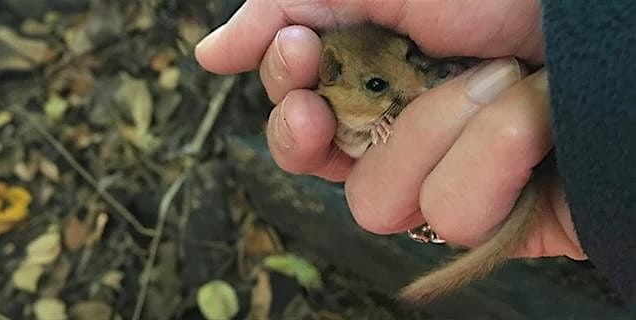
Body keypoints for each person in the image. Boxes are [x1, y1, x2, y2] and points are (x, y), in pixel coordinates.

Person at [194, 0, 636, 309]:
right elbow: (350, 141)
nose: (412, 80)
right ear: (331, 79)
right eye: (377, 86)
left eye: (408, 57)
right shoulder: (334, 106)